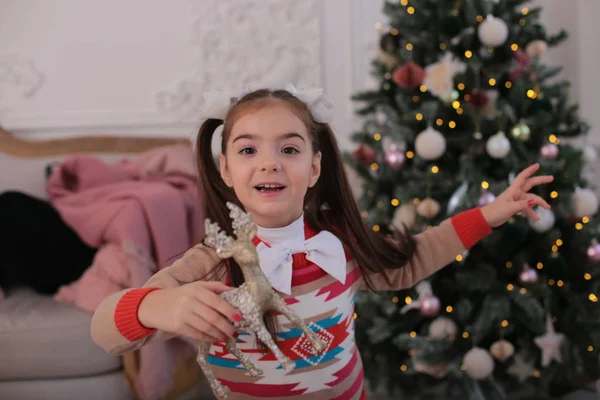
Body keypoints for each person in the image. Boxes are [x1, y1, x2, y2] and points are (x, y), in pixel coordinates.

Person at [90, 85, 553, 399]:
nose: (269, 163)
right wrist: (157, 308)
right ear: (226, 170)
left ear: (314, 168)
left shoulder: (341, 245)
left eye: (289, 149)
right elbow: (104, 331)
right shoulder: (211, 264)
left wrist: (492, 213)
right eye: (249, 149)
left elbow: (417, 257)